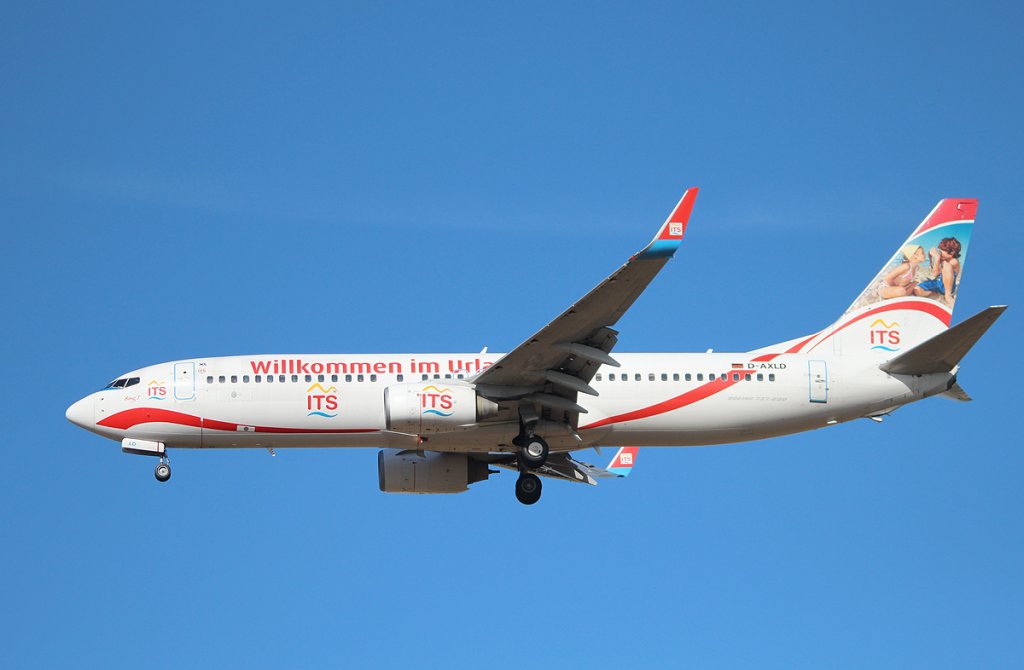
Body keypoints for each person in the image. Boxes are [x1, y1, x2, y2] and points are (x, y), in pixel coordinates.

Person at [915, 237, 962, 306]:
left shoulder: (954, 261)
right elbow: (934, 270)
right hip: (937, 283)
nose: (940, 254)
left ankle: (947, 296)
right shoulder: (944, 259)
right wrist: (930, 256)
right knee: (917, 290)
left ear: (951, 253)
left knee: (946, 265)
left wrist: (937, 258)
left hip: (947, 287)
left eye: (941, 252)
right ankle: (936, 293)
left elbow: (935, 273)